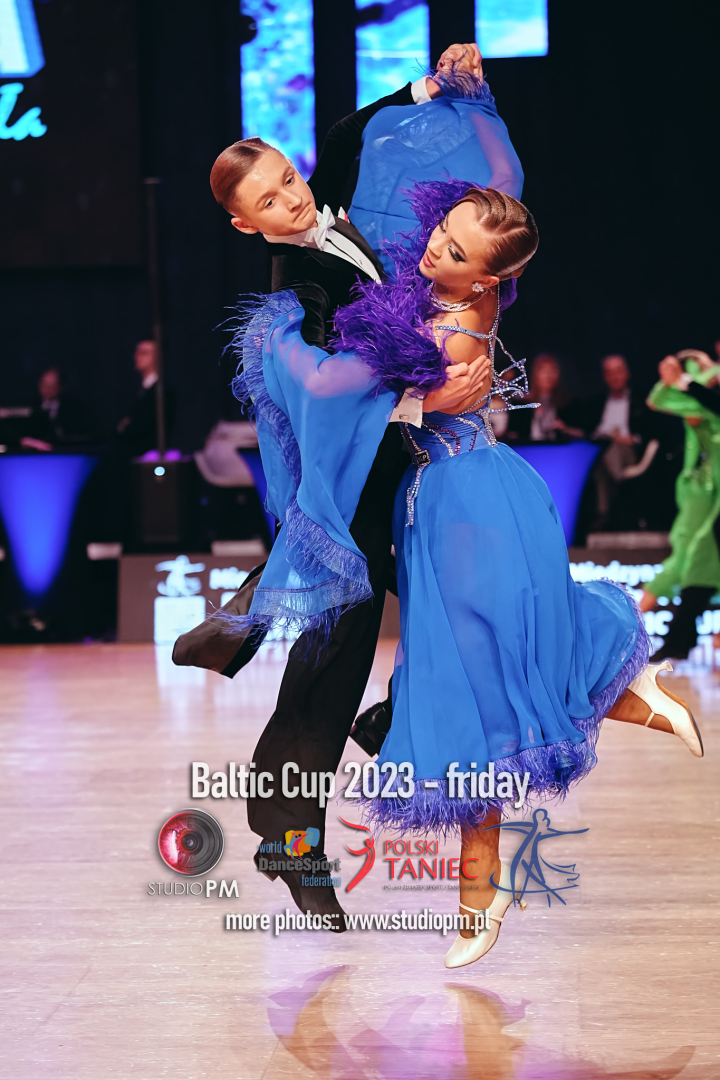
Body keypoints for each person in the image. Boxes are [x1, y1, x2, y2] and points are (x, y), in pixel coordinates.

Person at [230, 181, 703, 962]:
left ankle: (480, 894)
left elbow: (365, 400)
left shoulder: (452, 337)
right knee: (475, 682)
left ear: (487, 279)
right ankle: (627, 705)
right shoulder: (442, 297)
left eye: (454, 249)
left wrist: (288, 350)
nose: (432, 248)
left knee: (471, 689)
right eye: (441, 230)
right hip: (452, 502)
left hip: (463, 508)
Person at [200, 46, 516, 925]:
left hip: (404, 465)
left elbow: (345, 132)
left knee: (473, 600)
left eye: (287, 178)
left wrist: (432, 85)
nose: (292, 198)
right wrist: (422, 397)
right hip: (356, 485)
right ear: (247, 225)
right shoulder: (298, 285)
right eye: (270, 201)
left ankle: (387, 721)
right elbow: (329, 384)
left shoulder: (328, 193)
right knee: (332, 663)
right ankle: (290, 838)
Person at [639, 350, 720, 660]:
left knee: (696, 555)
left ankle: (639, 626)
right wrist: (679, 378)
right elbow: (659, 399)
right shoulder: (703, 403)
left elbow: (666, 398)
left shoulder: (705, 403)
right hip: (701, 488)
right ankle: (677, 638)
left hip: (707, 490)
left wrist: (685, 379)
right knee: (695, 555)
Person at [568, 354, 651, 529]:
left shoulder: (640, 401)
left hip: (629, 450)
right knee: (601, 454)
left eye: (618, 371)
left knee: (605, 454)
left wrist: (632, 439)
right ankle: (614, 494)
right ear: (605, 377)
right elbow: (588, 431)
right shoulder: (596, 403)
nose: (615, 377)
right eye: (609, 373)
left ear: (627, 373)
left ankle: (604, 513)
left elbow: (652, 432)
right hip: (602, 448)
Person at [504, 354, 582, 442]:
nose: (549, 375)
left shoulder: (566, 404)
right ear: (535, 375)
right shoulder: (521, 405)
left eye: (553, 370)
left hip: (558, 448)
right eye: (544, 371)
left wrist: (565, 429)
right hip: (529, 449)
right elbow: (511, 436)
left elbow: (582, 434)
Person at [116, 340, 174, 457]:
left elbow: (140, 428)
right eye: (137, 352)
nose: (137, 356)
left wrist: (128, 426)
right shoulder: (136, 390)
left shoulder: (162, 393)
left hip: (149, 459)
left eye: (144, 353)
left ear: (158, 357)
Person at [32, 367, 89, 445]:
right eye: (45, 385)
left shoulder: (74, 408)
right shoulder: (31, 406)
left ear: (61, 387)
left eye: (52, 386)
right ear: (39, 385)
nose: (48, 390)